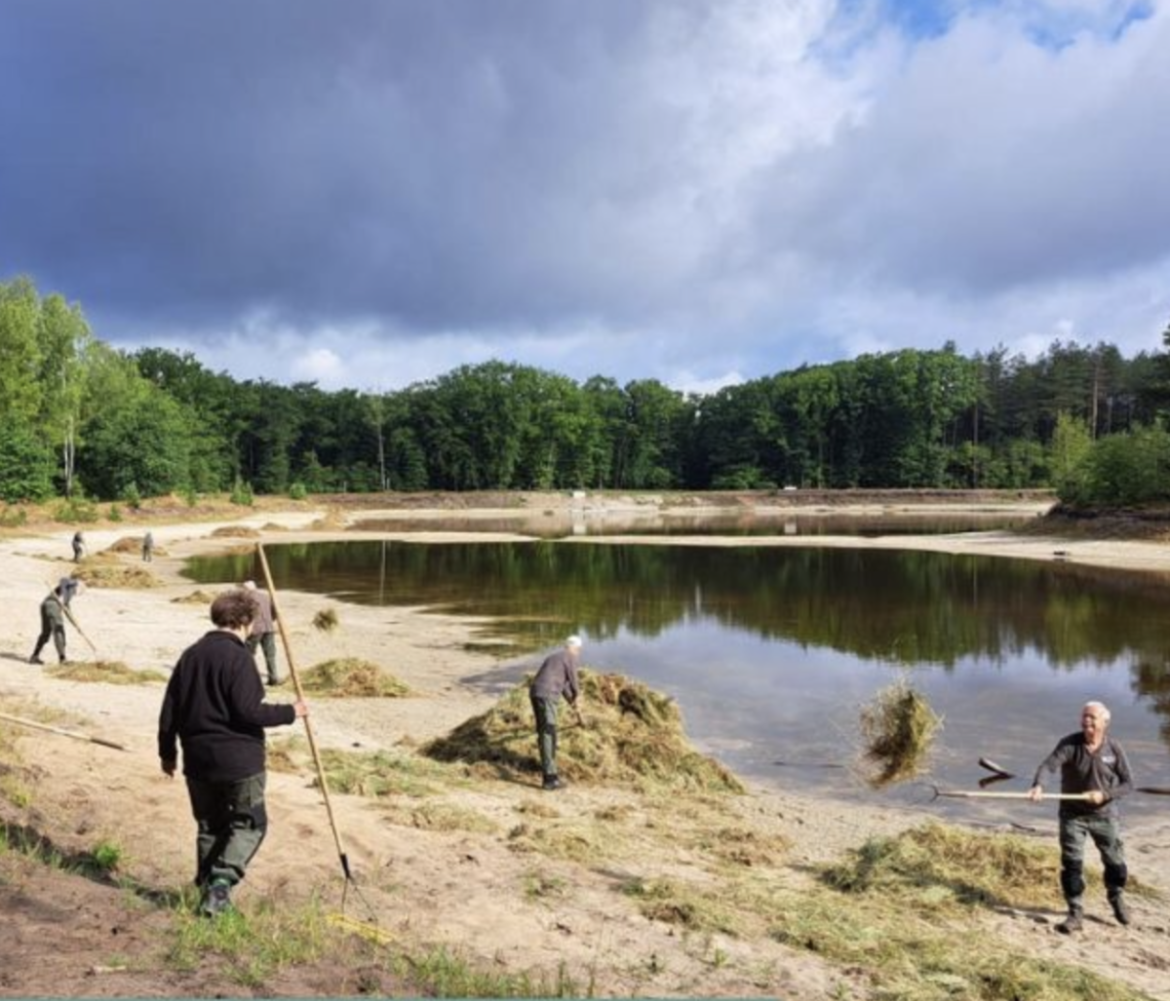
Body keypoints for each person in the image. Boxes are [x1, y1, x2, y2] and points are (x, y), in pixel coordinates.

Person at [157, 589, 308, 917]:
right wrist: (292, 711)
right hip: (239, 761)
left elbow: (169, 710)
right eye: (253, 620)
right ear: (243, 621)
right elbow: (249, 713)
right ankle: (221, 884)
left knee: (210, 826)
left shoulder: (190, 655)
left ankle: (208, 897)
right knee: (250, 823)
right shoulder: (240, 658)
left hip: (197, 760)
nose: (255, 625)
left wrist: (167, 754)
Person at [1028, 700, 1134, 933]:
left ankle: (1116, 898)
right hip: (1072, 815)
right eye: (1084, 716)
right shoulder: (1069, 744)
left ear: (1104, 723)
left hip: (1105, 816)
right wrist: (1039, 786)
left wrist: (1104, 795)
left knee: (1116, 865)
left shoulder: (1114, 749)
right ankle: (1075, 912)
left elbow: (1128, 784)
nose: (1086, 721)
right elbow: (1048, 766)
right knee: (1072, 866)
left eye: (1092, 718)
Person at [529, 635, 583, 791]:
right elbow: (574, 680)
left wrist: (571, 702)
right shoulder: (569, 656)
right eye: (579, 650)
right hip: (547, 696)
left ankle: (549, 772)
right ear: (574, 648)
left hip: (536, 693)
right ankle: (549, 779)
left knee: (545, 733)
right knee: (549, 734)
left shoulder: (555, 657)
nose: (578, 653)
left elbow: (564, 685)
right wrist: (577, 696)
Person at [30, 577, 82, 665]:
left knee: (45, 633)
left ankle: (35, 656)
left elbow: (67, 610)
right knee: (59, 630)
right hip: (52, 607)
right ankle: (62, 659)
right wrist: (76, 624)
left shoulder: (65, 592)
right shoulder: (67, 588)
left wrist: (76, 624)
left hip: (45, 605)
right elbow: (67, 609)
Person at [242, 580, 282, 685]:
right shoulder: (266, 596)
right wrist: (270, 620)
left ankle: (248, 678)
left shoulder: (246, 599)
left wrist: (246, 627)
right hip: (268, 628)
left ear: (247, 589)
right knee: (270, 654)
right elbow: (275, 612)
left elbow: (246, 615)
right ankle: (273, 678)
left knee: (248, 653)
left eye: (243, 589)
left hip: (256, 629)